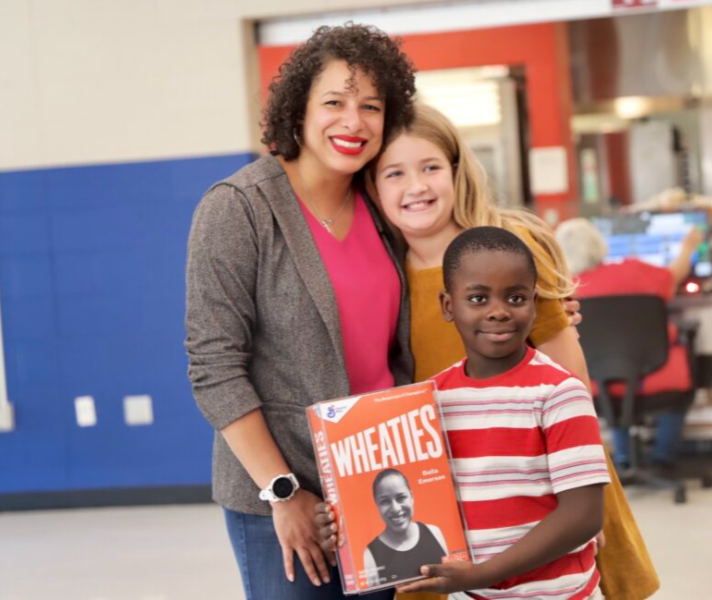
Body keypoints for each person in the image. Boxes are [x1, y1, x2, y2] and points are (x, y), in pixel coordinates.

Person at [322, 103, 660, 600]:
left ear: (458, 171)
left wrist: (580, 509)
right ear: (372, 188)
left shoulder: (507, 248)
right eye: (394, 173)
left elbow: (567, 373)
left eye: (431, 167)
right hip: (447, 493)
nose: (415, 186)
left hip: (545, 477)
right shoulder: (381, 275)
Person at [184, 24, 416, 600]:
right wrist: (282, 491)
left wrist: (543, 303)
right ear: (298, 110)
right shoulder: (238, 208)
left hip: (376, 481)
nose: (353, 121)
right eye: (334, 102)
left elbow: (451, 262)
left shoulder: (383, 204)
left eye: (371, 106)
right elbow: (213, 366)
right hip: (279, 497)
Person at [345, 226, 610, 599]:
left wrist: (481, 574)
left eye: (516, 298)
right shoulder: (428, 402)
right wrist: (345, 521)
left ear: (534, 304)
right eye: (478, 298)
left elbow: (583, 516)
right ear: (448, 306)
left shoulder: (559, 393)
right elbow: (411, 499)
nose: (498, 312)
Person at [555, 218, 703, 472]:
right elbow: (674, 275)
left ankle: (624, 457)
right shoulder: (635, 271)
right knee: (682, 383)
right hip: (658, 378)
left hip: (593, 388)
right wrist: (689, 246)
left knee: (610, 378)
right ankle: (662, 457)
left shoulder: (563, 290)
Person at [364, 469, 448, 588]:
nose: (395, 508)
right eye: (385, 501)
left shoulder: (434, 532)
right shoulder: (370, 555)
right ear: (377, 505)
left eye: (401, 497)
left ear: (412, 497)